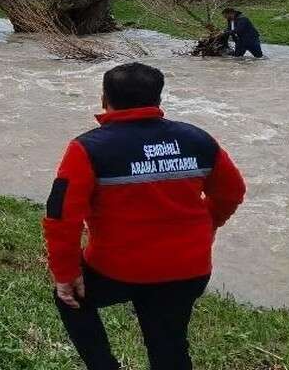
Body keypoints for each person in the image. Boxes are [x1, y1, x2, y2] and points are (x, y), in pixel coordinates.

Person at [43, 62, 246, 370]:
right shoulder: (198, 140)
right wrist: (208, 222)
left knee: (69, 298)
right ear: (158, 100)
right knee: (169, 346)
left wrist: (65, 273)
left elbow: (61, 217)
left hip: (115, 270)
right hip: (187, 270)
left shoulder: (88, 148)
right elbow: (232, 192)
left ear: (103, 98)